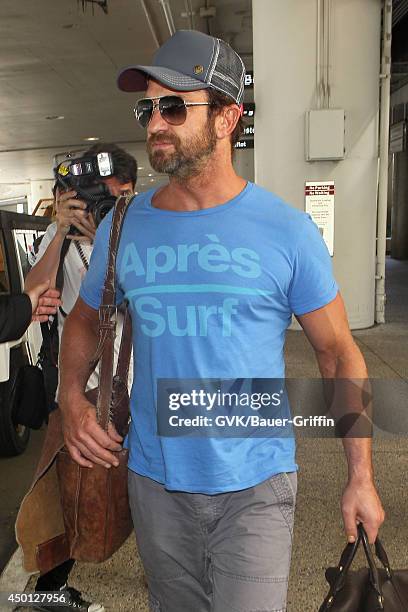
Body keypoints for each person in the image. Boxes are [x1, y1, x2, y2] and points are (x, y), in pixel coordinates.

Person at [58, 30, 384, 612]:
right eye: (149, 107)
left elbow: (338, 353)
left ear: (228, 117)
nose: (156, 122)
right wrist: (70, 399)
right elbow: (83, 320)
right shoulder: (123, 227)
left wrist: (360, 475)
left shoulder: (286, 232)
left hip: (256, 486)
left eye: (175, 106)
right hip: (155, 483)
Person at [23, 143, 137, 612]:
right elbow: (34, 293)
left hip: (137, 384)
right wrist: (62, 229)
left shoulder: (142, 231)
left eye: (122, 196)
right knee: (72, 493)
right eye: (104, 198)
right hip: (81, 388)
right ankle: (46, 591)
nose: (112, 207)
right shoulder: (63, 237)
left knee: (145, 488)